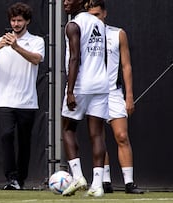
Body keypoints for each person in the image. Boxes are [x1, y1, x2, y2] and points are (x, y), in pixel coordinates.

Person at [0, 2, 45, 190]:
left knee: (24, 142)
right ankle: (11, 178)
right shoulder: (0, 41)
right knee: (6, 135)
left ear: (27, 21)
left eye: (19, 20)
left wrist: (16, 47)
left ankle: (21, 179)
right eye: (13, 20)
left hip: (27, 101)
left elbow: (36, 59)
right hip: (5, 100)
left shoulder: (36, 41)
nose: (16, 24)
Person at [87, 0, 144, 194]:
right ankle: (105, 181)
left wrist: (129, 95)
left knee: (121, 135)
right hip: (93, 92)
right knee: (98, 138)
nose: (94, 18)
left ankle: (129, 182)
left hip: (113, 91)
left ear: (104, 13)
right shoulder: (83, 34)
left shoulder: (117, 33)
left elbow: (126, 66)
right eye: (90, 15)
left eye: (97, 14)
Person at [61, 0, 109, 197]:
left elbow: (75, 58)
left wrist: (70, 91)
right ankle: (97, 185)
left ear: (81, 2)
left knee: (67, 128)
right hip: (101, 83)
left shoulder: (74, 24)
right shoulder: (100, 24)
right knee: (97, 134)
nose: (65, 2)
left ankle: (78, 176)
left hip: (81, 84)